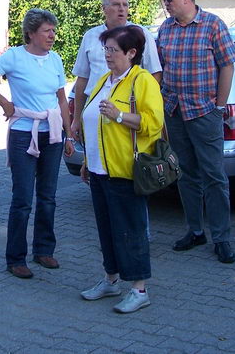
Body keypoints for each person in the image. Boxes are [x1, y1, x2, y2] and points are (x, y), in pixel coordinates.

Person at [0, 8, 74, 279]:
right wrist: (5, 103)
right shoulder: (15, 56)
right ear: (31, 33)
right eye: (46, 31)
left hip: (51, 133)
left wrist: (68, 133)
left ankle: (43, 250)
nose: (52, 35)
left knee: (48, 196)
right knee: (22, 198)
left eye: (53, 30)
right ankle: (16, 258)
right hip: (23, 133)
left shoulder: (55, 60)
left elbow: (62, 99)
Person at [78, 25, 163, 314]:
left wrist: (120, 115)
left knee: (131, 231)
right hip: (101, 170)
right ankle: (111, 279)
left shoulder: (142, 81)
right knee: (107, 229)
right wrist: (89, 163)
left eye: (113, 49)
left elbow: (154, 123)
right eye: (106, 49)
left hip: (126, 170)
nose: (108, 54)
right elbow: (94, 124)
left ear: (131, 53)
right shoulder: (105, 79)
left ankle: (139, 290)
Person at [156, 0, 235, 264]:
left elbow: (227, 64)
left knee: (214, 176)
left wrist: (219, 105)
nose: (166, 4)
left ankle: (222, 238)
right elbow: (160, 70)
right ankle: (195, 230)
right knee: (185, 173)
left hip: (204, 112)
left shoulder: (213, 25)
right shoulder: (165, 29)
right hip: (175, 111)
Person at [70, 0, 162, 143]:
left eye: (125, 5)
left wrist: (143, 108)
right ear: (104, 8)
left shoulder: (141, 34)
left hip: (127, 112)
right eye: (115, 4)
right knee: (94, 160)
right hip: (95, 110)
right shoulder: (90, 36)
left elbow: (155, 74)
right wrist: (77, 119)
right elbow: (82, 80)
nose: (122, 9)